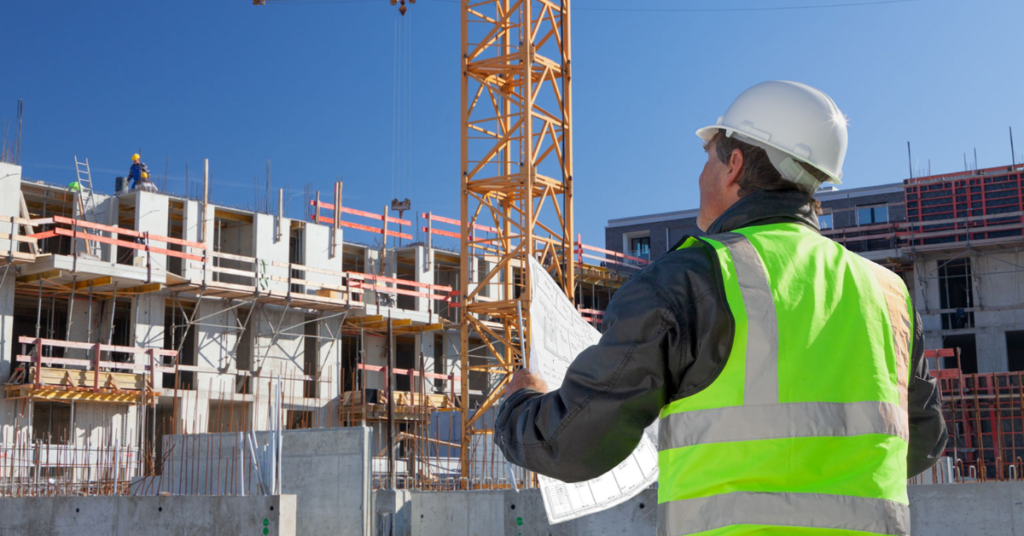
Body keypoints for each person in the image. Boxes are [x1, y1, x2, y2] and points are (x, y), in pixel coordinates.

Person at [494, 81, 947, 536]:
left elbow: (570, 442)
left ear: (733, 166)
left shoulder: (689, 278)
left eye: (708, 156)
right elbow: (922, 439)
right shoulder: (888, 293)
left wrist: (518, 403)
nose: (701, 174)